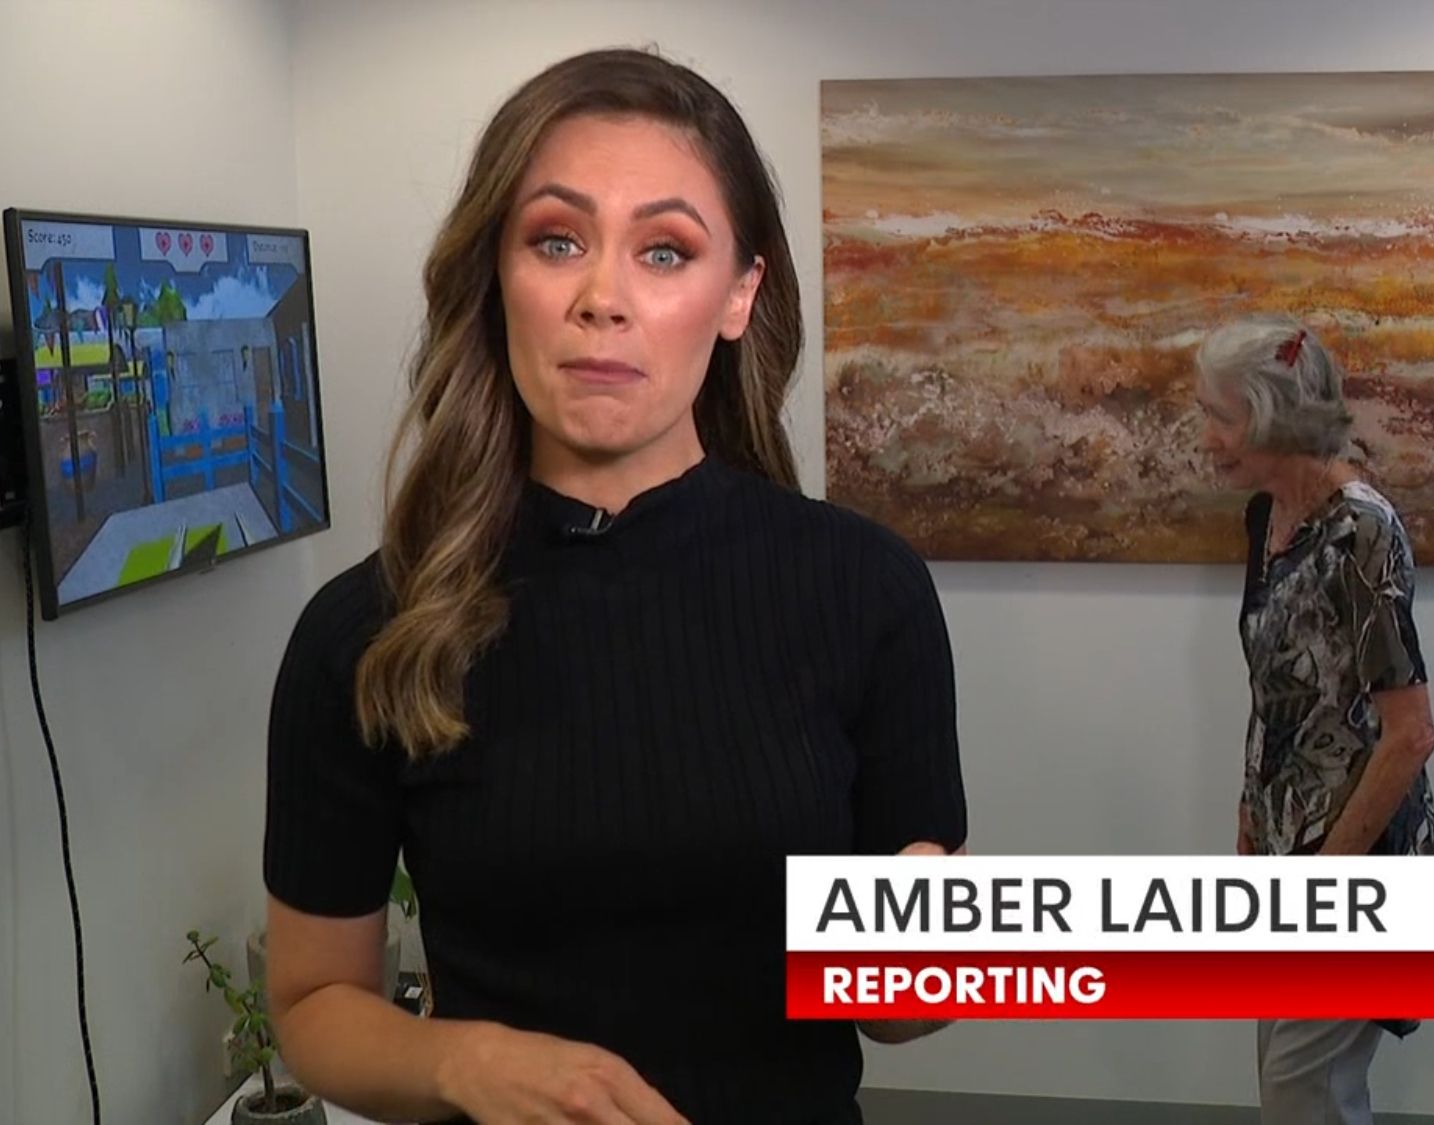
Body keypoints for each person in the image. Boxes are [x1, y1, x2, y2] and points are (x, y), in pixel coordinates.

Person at [260, 48, 968, 1125]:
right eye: (557, 241)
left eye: (665, 252)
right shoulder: (369, 632)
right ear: (497, 277)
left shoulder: (866, 591)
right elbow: (316, 1004)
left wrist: (931, 945)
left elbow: (904, 1011)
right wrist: (466, 1060)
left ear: (738, 295)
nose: (603, 299)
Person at [1195, 314, 1434, 1124]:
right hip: (1285, 852)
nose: (1207, 437)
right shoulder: (1268, 518)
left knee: (1305, 1093)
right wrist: (1251, 809)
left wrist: (1325, 880)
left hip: (1351, 866)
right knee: (1295, 1089)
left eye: (1221, 416)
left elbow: (1411, 732)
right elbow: (1279, 691)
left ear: (1274, 417)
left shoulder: (1360, 529)